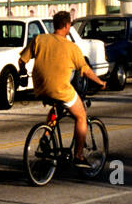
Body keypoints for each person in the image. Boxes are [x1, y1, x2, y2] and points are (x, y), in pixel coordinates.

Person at [18, 11, 106, 167]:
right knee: (81, 116)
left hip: (40, 89)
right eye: (70, 24)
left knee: (57, 107)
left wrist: (23, 72)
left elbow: (21, 60)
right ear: (67, 26)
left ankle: (46, 134)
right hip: (60, 90)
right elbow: (85, 70)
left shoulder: (39, 39)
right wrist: (100, 82)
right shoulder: (72, 48)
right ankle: (78, 156)